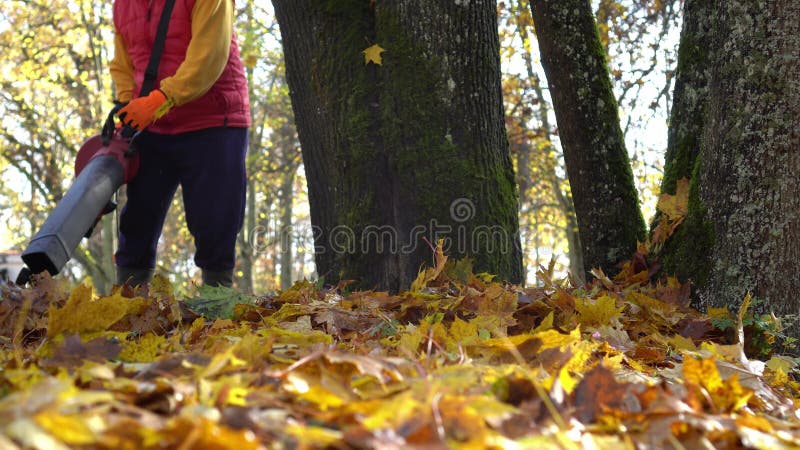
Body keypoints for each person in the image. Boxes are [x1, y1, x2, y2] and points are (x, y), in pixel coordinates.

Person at [109, 0, 250, 287]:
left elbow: (208, 57)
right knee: (137, 223)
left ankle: (216, 309)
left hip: (212, 119)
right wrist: (127, 104)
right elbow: (123, 61)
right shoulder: (123, 5)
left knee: (214, 223)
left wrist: (161, 99)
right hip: (151, 123)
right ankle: (127, 312)